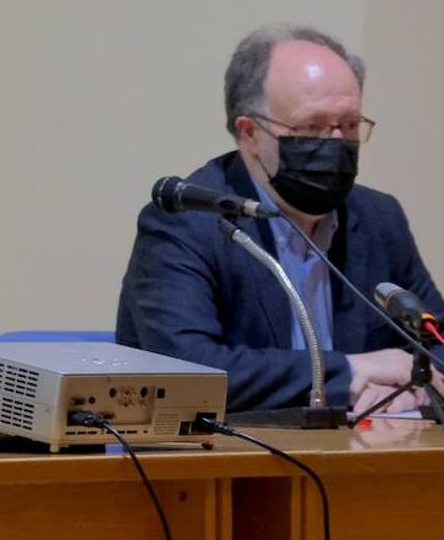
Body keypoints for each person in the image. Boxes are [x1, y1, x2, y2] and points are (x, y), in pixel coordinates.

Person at [116, 24, 444, 413]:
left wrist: (417, 387)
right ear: (250, 132)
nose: (336, 143)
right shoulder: (185, 223)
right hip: (226, 464)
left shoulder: (378, 219)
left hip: (363, 457)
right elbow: (189, 370)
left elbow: (434, 339)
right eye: (312, 126)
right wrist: (350, 373)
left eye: (350, 125)